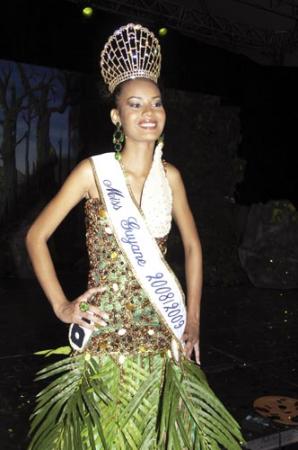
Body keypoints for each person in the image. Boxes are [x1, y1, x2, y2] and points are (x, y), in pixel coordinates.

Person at [26, 23, 243, 450]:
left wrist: (194, 318)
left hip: (163, 332)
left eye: (157, 103)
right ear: (117, 115)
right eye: (135, 103)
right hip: (106, 337)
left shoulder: (171, 177)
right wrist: (62, 305)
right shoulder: (93, 173)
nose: (149, 112)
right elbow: (36, 236)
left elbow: (194, 247)